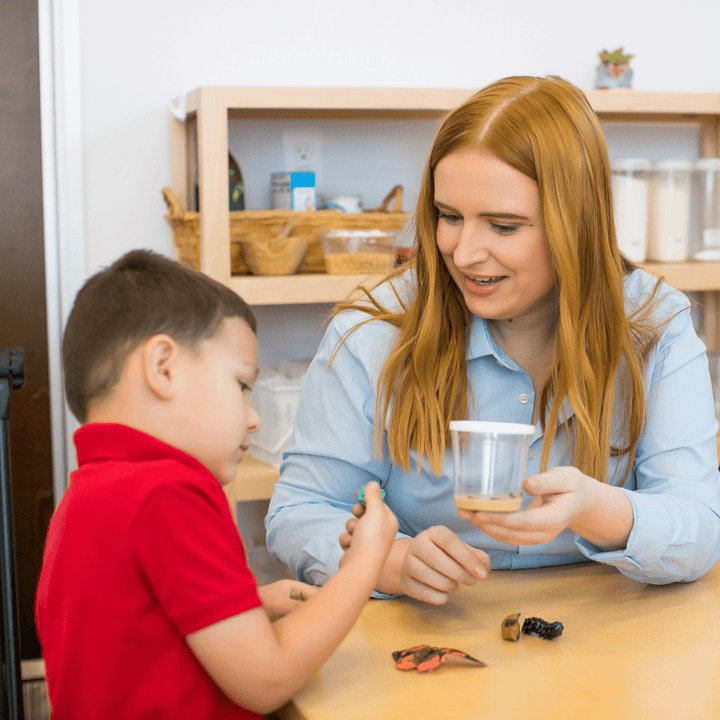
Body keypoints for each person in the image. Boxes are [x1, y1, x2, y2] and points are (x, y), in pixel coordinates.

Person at [265, 75, 720, 606]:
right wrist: (388, 562)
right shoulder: (376, 331)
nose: (464, 253)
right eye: (449, 217)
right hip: (428, 629)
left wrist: (597, 508)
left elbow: (700, 526)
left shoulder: (652, 323)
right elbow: (300, 510)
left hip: (605, 631)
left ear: (578, 225)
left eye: (503, 227)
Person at [35, 249, 397, 719]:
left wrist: (248, 609)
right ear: (163, 367)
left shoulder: (86, 497)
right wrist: (364, 565)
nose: (252, 419)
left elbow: (136, 642)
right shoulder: (166, 491)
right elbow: (267, 680)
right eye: (243, 386)